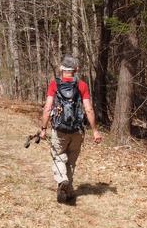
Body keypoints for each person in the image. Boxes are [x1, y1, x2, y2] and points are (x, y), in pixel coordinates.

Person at [39, 55, 102, 203]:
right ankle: (69, 190)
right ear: (76, 69)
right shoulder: (82, 85)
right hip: (77, 130)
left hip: (60, 129)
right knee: (71, 161)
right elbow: (89, 109)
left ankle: (62, 181)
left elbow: (48, 108)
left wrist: (43, 128)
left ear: (61, 69)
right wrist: (95, 131)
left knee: (58, 156)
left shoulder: (54, 84)